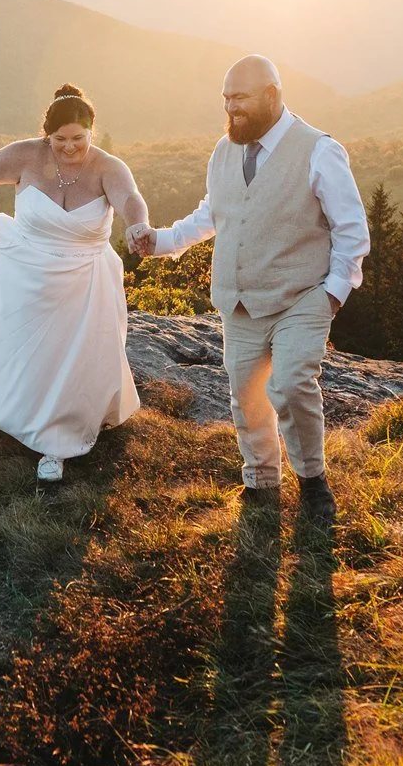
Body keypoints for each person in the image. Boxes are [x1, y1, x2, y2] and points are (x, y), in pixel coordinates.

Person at [126, 55, 369, 510]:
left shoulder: (319, 150)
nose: (230, 108)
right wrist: (158, 241)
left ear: (272, 96)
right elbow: (211, 214)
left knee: (294, 382)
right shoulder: (224, 151)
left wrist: (333, 295)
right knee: (245, 394)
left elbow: (352, 229)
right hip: (237, 300)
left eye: (239, 98)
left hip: (303, 297)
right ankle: (261, 482)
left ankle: (313, 481)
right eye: (225, 99)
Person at [0, 84, 143, 482]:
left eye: (79, 138)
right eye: (60, 140)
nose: (70, 147)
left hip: (82, 282)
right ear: (46, 135)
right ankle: (7, 410)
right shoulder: (25, 155)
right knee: (20, 353)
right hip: (23, 270)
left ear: (92, 131)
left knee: (68, 359)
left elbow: (130, 200)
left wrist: (139, 225)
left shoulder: (109, 167)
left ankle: (55, 443)